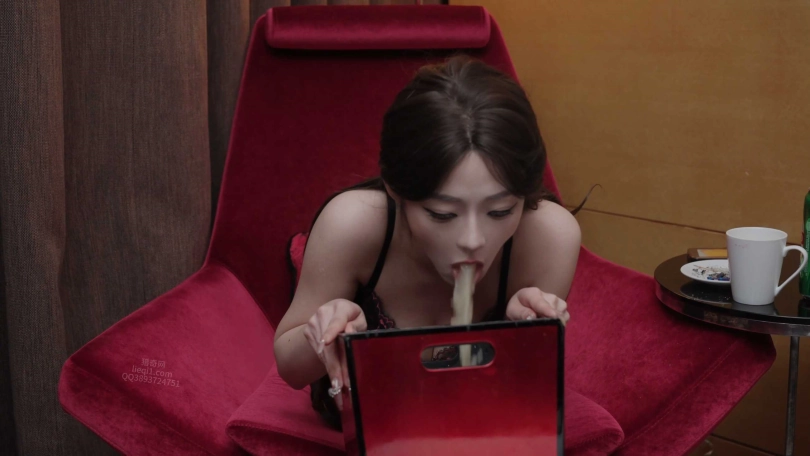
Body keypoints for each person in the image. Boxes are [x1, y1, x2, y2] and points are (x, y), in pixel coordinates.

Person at [273, 55, 581, 430]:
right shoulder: (353, 224)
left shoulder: (548, 237)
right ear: (396, 190)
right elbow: (289, 369)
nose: (473, 240)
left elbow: (517, 404)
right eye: (442, 214)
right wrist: (324, 332)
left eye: (500, 211)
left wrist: (525, 340)